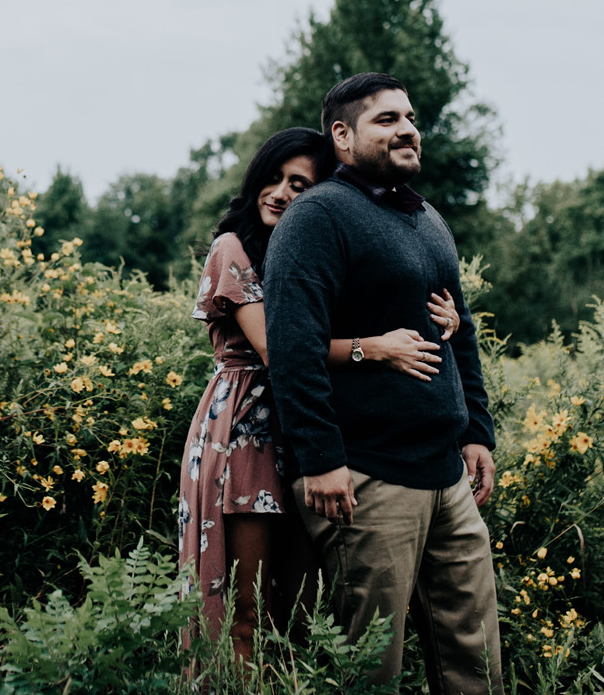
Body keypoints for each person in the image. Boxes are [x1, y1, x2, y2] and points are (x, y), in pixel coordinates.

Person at [177, 126, 462, 662]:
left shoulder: (314, 251)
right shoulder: (232, 249)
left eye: (301, 186)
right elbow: (279, 349)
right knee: (247, 609)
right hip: (246, 433)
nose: (283, 193)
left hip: (306, 433)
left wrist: (444, 319)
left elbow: (373, 300)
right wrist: (373, 348)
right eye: (275, 179)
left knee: (306, 610)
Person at [262, 73, 502, 694]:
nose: (408, 130)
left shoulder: (427, 219)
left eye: (410, 117)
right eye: (387, 120)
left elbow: (462, 331)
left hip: (446, 474)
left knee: (475, 658)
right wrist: (320, 459)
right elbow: (293, 349)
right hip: (367, 478)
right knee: (370, 668)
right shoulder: (316, 218)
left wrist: (478, 431)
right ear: (342, 136)